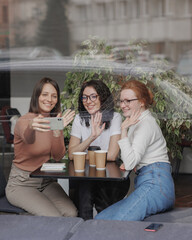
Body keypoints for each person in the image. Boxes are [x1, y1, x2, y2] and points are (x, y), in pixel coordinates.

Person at [95, 79, 175, 221]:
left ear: (141, 102)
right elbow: (130, 160)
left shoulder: (145, 125)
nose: (123, 105)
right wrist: (131, 160)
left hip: (156, 185)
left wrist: (123, 130)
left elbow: (130, 163)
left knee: (118, 223)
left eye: (128, 101)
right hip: (148, 183)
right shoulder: (136, 122)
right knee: (100, 219)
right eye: (121, 101)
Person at [6, 77, 77, 217]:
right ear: (37, 96)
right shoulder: (24, 121)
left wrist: (57, 131)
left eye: (54, 96)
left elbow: (57, 156)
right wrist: (32, 127)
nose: (49, 99)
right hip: (22, 184)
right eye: (44, 94)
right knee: (54, 217)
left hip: (46, 181)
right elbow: (28, 138)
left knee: (71, 213)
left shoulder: (55, 121)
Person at [68, 79, 130, 220]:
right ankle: (85, 230)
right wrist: (92, 137)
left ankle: (103, 230)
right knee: (84, 192)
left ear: (102, 97)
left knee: (101, 199)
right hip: (86, 174)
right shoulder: (79, 119)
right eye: (84, 97)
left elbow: (113, 155)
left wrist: (82, 154)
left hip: (108, 175)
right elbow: (71, 154)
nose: (88, 101)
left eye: (93, 96)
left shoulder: (115, 118)